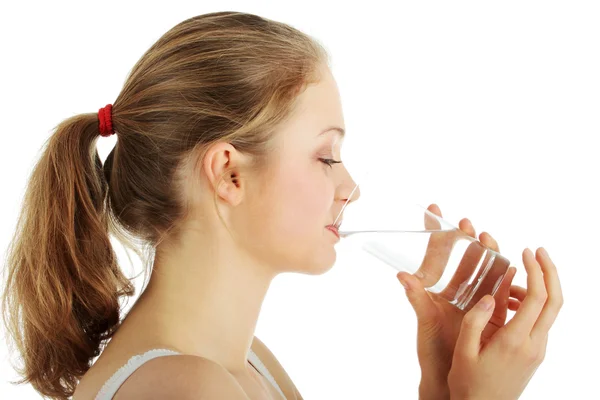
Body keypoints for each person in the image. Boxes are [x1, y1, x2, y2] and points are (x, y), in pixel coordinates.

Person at [1, 11, 563, 400]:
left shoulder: (246, 363)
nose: (350, 186)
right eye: (326, 156)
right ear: (229, 173)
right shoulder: (187, 388)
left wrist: (442, 384)